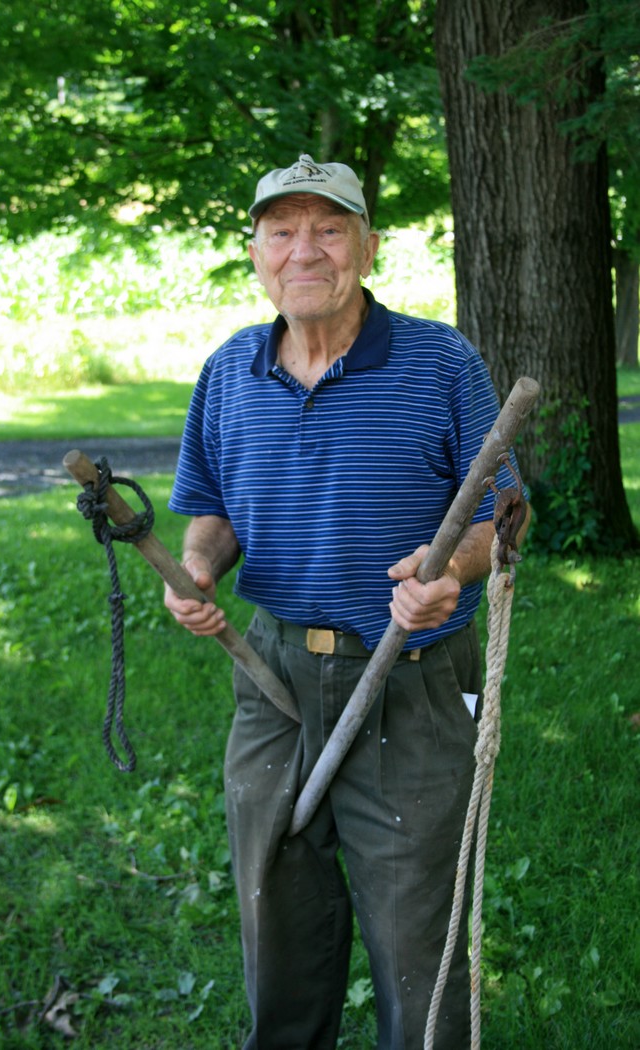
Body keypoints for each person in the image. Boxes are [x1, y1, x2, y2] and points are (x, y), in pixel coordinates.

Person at [164, 154, 529, 1050]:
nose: (305, 251)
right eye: (282, 231)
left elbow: (503, 514)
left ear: (368, 245)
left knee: (417, 945)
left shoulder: (440, 361)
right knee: (276, 922)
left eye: (328, 229)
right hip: (274, 681)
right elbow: (210, 510)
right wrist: (199, 570)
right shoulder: (228, 373)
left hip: (408, 681)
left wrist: (453, 570)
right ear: (254, 251)